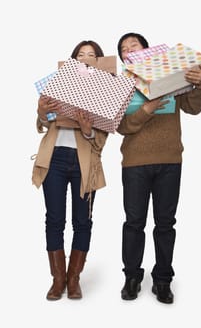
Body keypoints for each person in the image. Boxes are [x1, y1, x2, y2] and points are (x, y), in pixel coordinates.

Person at [117, 32, 201, 304]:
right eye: (123, 48)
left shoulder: (171, 76)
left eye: (134, 44)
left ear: (148, 50)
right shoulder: (122, 85)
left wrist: (200, 84)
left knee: (165, 224)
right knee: (134, 223)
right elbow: (121, 127)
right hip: (134, 163)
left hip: (170, 160)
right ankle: (132, 277)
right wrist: (146, 110)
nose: (129, 49)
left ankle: (162, 280)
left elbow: (194, 108)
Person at [32, 41, 108, 300]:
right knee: (54, 220)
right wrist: (42, 113)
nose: (85, 58)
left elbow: (100, 142)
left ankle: (74, 279)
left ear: (99, 61)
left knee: (82, 221)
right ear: (72, 60)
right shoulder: (58, 83)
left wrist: (87, 129)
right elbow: (43, 123)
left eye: (92, 55)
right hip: (53, 159)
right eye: (80, 55)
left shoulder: (105, 92)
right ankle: (58, 280)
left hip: (83, 163)